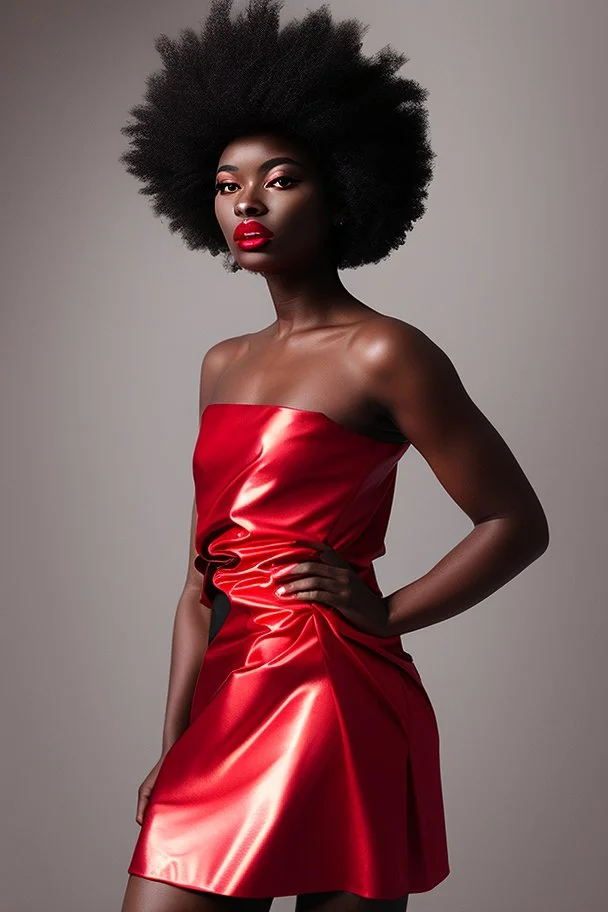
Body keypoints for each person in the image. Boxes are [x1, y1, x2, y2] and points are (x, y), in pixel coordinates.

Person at [118, 2, 550, 911]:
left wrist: (388, 611)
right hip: (228, 689)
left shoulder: (385, 352)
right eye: (229, 184)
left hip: (331, 688)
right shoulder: (222, 364)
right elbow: (200, 583)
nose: (248, 202)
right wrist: (173, 745)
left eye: (280, 179)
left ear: (342, 192)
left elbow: (516, 522)